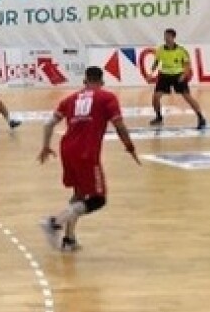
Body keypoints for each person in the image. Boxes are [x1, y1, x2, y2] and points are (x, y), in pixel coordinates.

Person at [38, 66, 140, 252]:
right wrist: (130, 147)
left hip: (67, 150)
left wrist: (45, 146)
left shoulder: (70, 99)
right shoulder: (107, 97)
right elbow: (119, 126)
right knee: (98, 199)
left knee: (79, 194)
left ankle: (69, 240)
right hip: (86, 153)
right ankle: (54, 223)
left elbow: (48, 124)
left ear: (85, 82)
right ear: (102, 82)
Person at [148, 28, 206, 129]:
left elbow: (187, 65)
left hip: (178, 75)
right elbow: (156, 63)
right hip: (165, 76)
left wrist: (183, 75)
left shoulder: (181, 50)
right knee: (155, 97)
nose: (166, 38)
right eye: (165, 36)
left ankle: (201, 118)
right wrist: (151, 73)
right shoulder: (160, 49)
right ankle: (159, 117)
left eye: (168, 36)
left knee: (187, 97)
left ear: (173, 37)